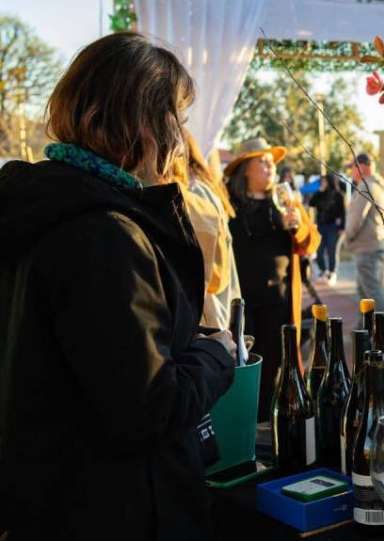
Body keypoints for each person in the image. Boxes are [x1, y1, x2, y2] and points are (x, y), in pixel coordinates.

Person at [0, 33, 236, 540]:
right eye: (177, 118)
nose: (181, 139)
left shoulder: (39, 206)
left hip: (52, 500)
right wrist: (217, 354)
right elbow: (148, 408)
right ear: (143, 123)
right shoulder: (103, 233)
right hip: (116, 509)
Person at [225, 137, 320, 420]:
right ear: (245, 169)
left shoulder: (286, 201)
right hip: (238, 301)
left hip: (278, 300)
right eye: (263, 163)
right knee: (239, 365)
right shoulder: (226, 202)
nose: (271, 168)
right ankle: (243, 421)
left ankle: (266, 423)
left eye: (272, 163)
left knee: (272, 367)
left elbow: (312, 243)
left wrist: (297, 226)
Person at [175, 130, 242, 329]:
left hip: (211, 310)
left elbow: (213, 275)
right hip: (219, 305)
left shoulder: (195, 192)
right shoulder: (200, 188)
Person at [344, 152, 384, 328]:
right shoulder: (378, 185)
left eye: (353, 167)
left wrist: (347, 236)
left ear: (362, 167)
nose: (351, 172)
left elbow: (356, 219)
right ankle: (364, 327)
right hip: (374, 243)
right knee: (365, 289)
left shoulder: (366, 187)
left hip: (366, 246)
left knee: (370, 290)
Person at [309, 173, 346, 285]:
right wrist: (319, 191)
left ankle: (332, 272)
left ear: (330, 182)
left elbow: (343, 212)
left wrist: (342, 227)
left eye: (324, 181)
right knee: (319, 251)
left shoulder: (338, 195)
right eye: (321, 181)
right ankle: (323, 271)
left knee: (331, 250)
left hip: (333, 227)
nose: (322, 183)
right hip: (320, 226)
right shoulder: (319, 194)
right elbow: (311, 203)